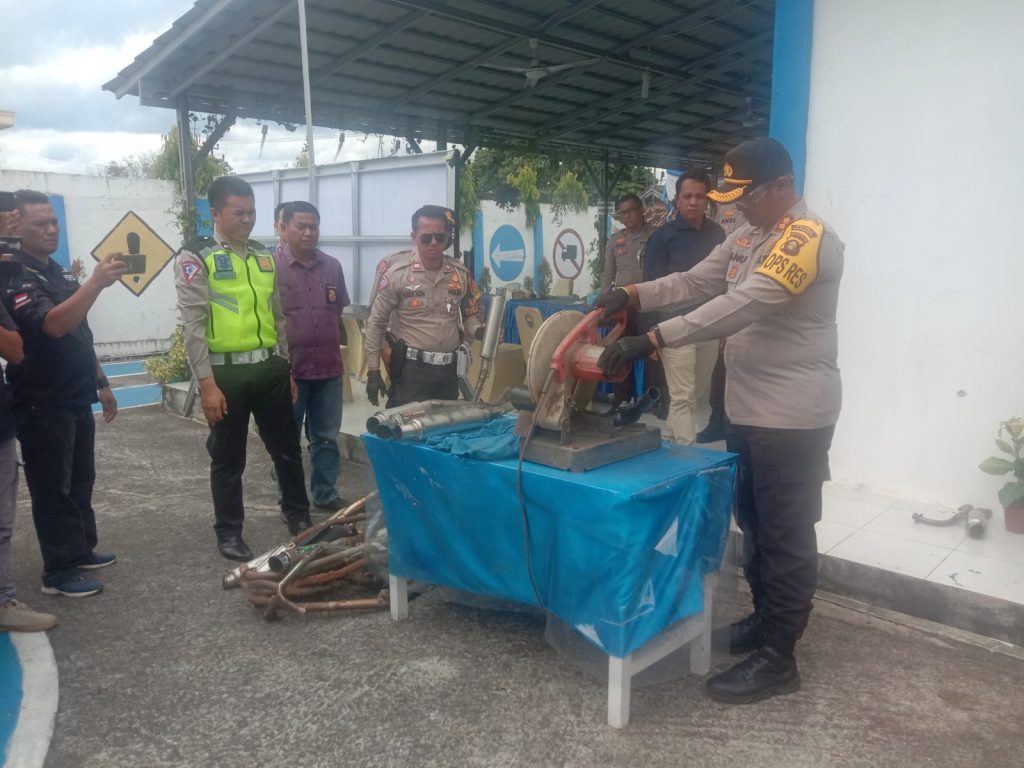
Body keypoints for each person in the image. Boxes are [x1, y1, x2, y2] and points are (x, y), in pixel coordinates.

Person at [595, 137, 844, 705]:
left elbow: (741, 304)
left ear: (782, 186)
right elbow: (691, 281)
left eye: (744, 197)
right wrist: (630, 292)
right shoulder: (750, 234)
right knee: (753, 520)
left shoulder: (807, 240)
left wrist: (653, 337)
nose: (733, 210)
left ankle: (781, 657)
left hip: (794, 415)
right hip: (751, 408)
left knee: (785, 531)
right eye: (727, 199)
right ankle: (764, 623)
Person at [174, 176, 312, 562]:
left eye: (252, 212)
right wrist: (206, 384)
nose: (247, 219)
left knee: (287, 450)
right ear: (215, 213)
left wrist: (285, 367)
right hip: (226, 375)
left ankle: (299, 517)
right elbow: (194, 326)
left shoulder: (264, 255)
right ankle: (229, 532)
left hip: (269, 369)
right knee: (229, 458)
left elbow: (277, 316)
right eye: (239, 213)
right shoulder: (196, 257)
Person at [4, 190, 124, 598]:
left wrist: (102, 382)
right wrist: (95, 282)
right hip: (42, 401)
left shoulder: (55, 271)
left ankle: (81, 550)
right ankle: (58, 572)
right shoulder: (16, 275)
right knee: (52, 489)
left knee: (79, 482)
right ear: (16, 226)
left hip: (75, 397)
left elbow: (79, 332)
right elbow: (53, 325)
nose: (51, 229)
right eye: (40, 223)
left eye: (53, 221)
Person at [0, 202, 57, 628]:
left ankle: (4, 601)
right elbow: (25, 341)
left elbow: (14, 348)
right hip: (37, 399)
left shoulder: (39, 271)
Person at [364, 206, 483, 408]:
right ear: (414, 236)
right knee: (407, 431)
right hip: (412, 371)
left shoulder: (460, 275)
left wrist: (481, 331)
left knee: (443, 430)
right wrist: (373, 370)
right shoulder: (397, 274)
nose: (434, 243)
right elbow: (375, 323)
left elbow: (470, 317)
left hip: (449, 370)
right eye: (427, 238)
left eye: (440, 237)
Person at [275, 201, 351, 512]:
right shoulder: (270, 267)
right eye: (301, 226)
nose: (309, 232)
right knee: (286, 441)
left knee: (326, 437)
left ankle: (325, 492)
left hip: (329, 369)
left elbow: (338, 309)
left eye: (314, 226)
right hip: (290, 372)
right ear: (283, 227)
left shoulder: (332, 266)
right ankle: (290, 501)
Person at [642, 170, 726, 444]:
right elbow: (650, 288)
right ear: (676, 200)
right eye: (687, 196)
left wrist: (726, 327)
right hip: (673, 327)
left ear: (708, 201)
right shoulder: (661, 239)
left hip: (709, 325)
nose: (693, 202)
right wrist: (652, 336)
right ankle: (688, 461)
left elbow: (724, 281)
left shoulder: (718, 235)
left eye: (699, 196)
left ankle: (669, 436)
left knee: (696, 393)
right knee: (683, 396)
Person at [599, 194, 654, 293]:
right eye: (623, 213)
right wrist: (604, 300)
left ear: (641, 210)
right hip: (623, 297)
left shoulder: (656, 236)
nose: (627, 216)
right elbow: (608, 274)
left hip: (649, 296)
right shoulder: (614, 240)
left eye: (630, 211)